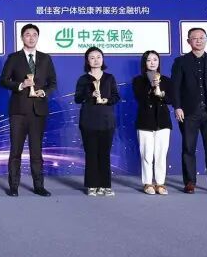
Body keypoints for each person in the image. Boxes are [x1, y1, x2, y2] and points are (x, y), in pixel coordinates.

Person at [0, 23, 57, 197]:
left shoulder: (45, 58)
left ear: (38, 37)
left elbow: (53, 83)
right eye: (27, 34)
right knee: (15, 151)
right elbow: (3, 80)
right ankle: (13, 186)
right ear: (22, 37)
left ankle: (39, 186)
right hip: (18, 110)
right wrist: (20, 85)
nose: (31, 38)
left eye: (34, 35)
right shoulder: (14, 58)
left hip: (38, 111)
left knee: (36, 151)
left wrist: (44, 92)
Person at [171, 27, 207, 195]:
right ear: (188, 41)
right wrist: (177, 107)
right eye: (194, 38)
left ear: (206, 39)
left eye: (202, 37)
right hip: (188, 112)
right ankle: (190, 182)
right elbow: (175, 87)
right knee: (188, 148)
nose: (198, 40)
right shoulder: (180, 62)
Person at [74, 47, 121, 196]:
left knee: (105, 154)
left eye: (98, 57)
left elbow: (116, 97)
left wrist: (107, 100)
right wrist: (90, 94)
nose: (96, 60)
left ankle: (105, 185)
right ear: (87, 61)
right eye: (92, 57)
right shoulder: (83, 79)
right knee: (91, 153)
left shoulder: (109, 78)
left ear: (103, 59)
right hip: (88, 121)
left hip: (106, 121)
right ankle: (92, 185)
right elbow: (77, 99)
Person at [132, 50, 173, 195]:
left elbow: (171, 99)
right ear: (145, 63)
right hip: (145, 122)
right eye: (149, 60)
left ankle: (160, 183)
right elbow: (140, 98)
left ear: (159, 62)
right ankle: (148, 183)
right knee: (146, 154)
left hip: (163, 122)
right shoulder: (138, 80)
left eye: (155, 59)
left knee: (161, 154)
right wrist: (152, 86)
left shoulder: (166, 80)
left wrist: (160, 91)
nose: (152, 62)